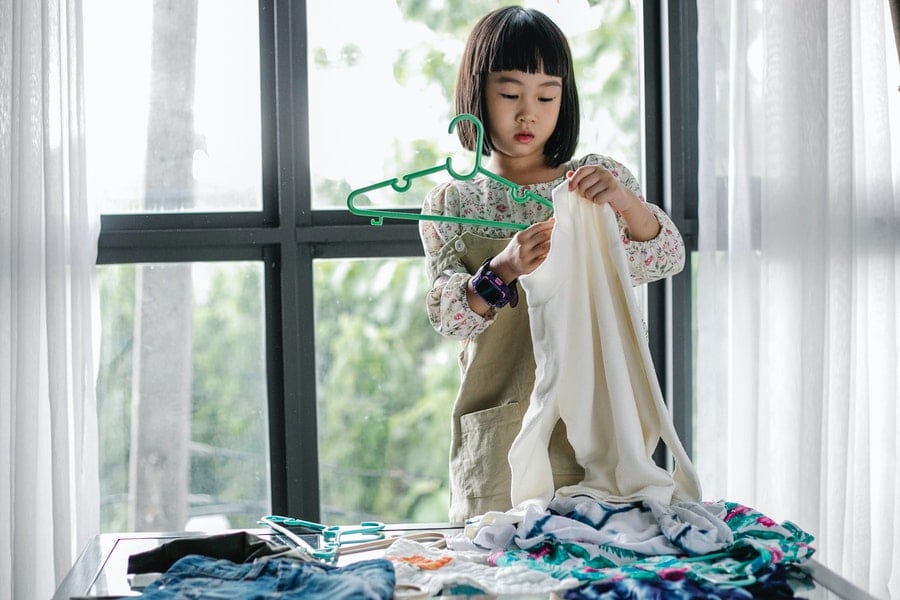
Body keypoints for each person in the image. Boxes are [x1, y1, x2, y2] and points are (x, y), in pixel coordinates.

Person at [419, 5, 686, 524]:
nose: (528, 113)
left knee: (604, 554)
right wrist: (503, 269)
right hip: (503, 419)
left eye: (546, 95)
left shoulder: (594, 181)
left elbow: (664, 256)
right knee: (505, 563)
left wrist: (626, 207)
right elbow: (450, 317)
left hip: (600, 415)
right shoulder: (451, 202)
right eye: (510, 93)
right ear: (476, 95)